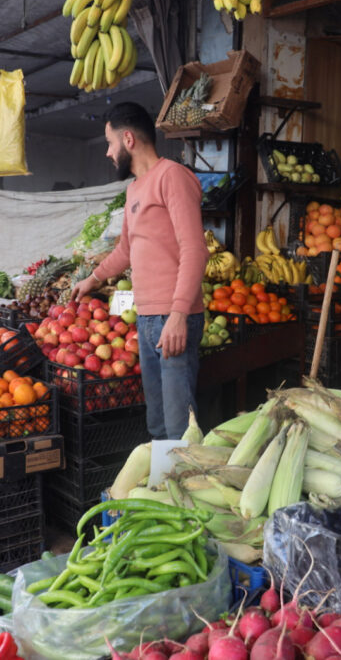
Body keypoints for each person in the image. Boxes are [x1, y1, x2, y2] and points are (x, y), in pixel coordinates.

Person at [71, 102, 208, 440]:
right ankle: (162, 486)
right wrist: (93, 279)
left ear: (128, 139)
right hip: (147, 319)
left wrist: (178, 315)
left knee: (179, 427)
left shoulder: (172, 176)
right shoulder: (134, 188)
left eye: (109, 142)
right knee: (158, 425)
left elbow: (195, 249)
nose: (107, 152)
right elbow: (126, 250)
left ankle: (184, 485)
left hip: (172, 319)